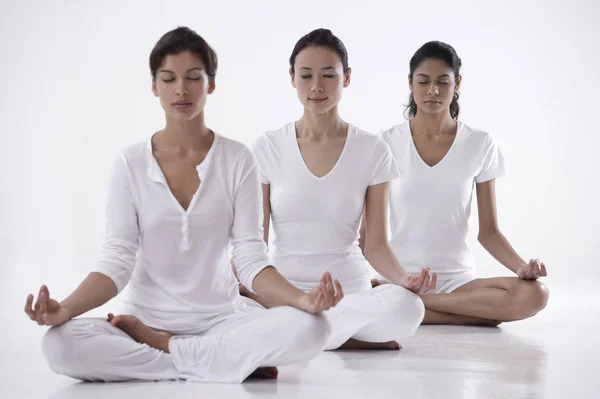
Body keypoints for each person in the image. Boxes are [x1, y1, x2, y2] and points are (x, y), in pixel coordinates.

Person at [23, 26, 344, 384]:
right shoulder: (129, 164)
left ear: (211, 84)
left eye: (194, 77)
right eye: (169, 78)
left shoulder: (238, 159)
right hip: (141, 320)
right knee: (59, 345)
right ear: (153, 86)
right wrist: (64, 308)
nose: (181, 89)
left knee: (313, 327)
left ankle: (166, 348)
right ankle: (216, 363)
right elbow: (117, 258)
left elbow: (251, 258)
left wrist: (303, 301)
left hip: (222, 321)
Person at [234, 28, 434, 351]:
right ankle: (339, 335)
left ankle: (311, 331)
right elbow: (255, 244)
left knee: (410, 307)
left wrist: (404, 279)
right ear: (292, 78)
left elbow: (376, 245)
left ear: (347, 77)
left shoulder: (373, 149)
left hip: (350, 295)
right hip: (285, 293)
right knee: (229, 302)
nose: (316, 86)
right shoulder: (268, 148)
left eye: (329, 74)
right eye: (306, 75)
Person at [367, 41, 549, 326]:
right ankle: (473, 315)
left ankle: (421, 308)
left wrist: (521, 267)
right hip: (401, 277)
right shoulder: (385, 144)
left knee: (535, 294)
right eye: (423, 81)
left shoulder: (480, 144)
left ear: (457, 83)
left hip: (459, 283)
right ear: (410, 83)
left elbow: (489, 232)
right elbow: (368, 237)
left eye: (443, 81)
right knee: (373, 296)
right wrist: (402, 280)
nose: (433, 91)